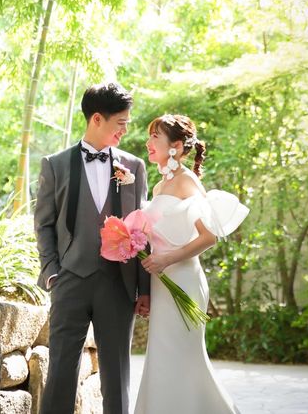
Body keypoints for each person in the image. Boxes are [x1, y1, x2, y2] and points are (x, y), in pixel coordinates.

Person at [34, 83, 150, 414]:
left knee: (117, 376)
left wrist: (144, 288)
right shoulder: (55, 164)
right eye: (120, 123)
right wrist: (52, 272)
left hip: (118, 284)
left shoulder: (134, 167)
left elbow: (142, 230)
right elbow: (44, 223)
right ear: (97, 119)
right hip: (69, 280)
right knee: (60, 372)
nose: (125, 130)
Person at [135, 113, 249, 414]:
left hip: (183, 279)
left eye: (155, 137)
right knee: (162, 357)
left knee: (184, 356)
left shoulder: (187, 181)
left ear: (175, 146)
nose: (148, 142)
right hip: (161, 283)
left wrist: (167, 258)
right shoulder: (160, 186)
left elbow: (209, 237)